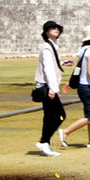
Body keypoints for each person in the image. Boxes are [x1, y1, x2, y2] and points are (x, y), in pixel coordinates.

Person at [59, 24, 90, 148]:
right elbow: (89, 70)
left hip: (83, 85)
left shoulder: (82, 50)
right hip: (86, 86)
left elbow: (79, 68)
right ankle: (66, 132)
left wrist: (71, 82)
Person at [35, 20, 66, 157]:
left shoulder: (52, 46)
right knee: (60, 115)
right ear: (47, 31)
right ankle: (44, 141)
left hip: (47, 86)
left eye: (57, 28)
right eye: (52, 28)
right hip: (47, 86)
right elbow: (48, 69)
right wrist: (53, 89)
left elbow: (51, 65)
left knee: (49, 116)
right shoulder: (47, 47)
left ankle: (45, 143)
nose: (56, 30)